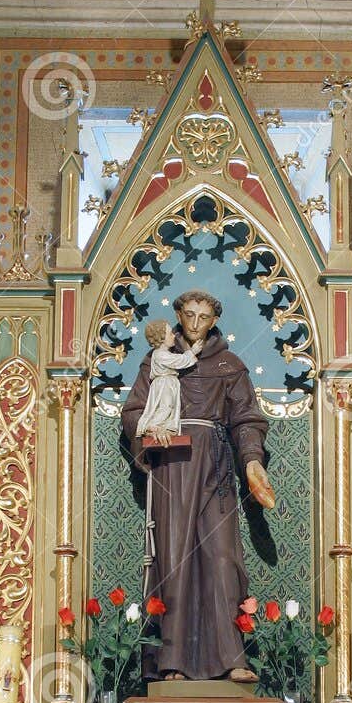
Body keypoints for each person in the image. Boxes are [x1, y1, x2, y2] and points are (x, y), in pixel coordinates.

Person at [121, 289, 275, 683]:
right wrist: (150, 437)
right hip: (172, 467)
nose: (194, 323)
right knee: (175, 559)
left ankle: (231, 659)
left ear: (213, 320)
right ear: (178, 314)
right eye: (188, 314)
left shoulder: (228, 365)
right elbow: (133, 412)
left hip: (216, 471)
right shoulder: (157, 360)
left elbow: (247, 419)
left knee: (223, 560)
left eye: (203, 317)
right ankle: (172, 663)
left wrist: (253, 461)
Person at [134, 320, 197, 447]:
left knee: (170, 407)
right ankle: (152, 426)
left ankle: (166, 427)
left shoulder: (163, 354)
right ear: (161, 338)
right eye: (170, 334)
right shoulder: (159, 354)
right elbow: (178, 361)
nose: (174, 336)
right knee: (166, 406)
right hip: (165, 384)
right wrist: (192, 351)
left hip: (169, 383)